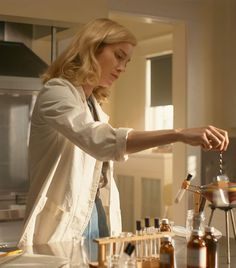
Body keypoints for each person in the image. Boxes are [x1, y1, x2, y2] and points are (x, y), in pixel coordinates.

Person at [18, 18, 229, 247]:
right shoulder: (56, 93)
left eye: (127, 62)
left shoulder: (92, 105)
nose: (122, 68)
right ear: (92, 48)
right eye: (119, 56)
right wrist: (178, 134)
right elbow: (100, 141)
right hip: (63, 221)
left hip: (95, 212)